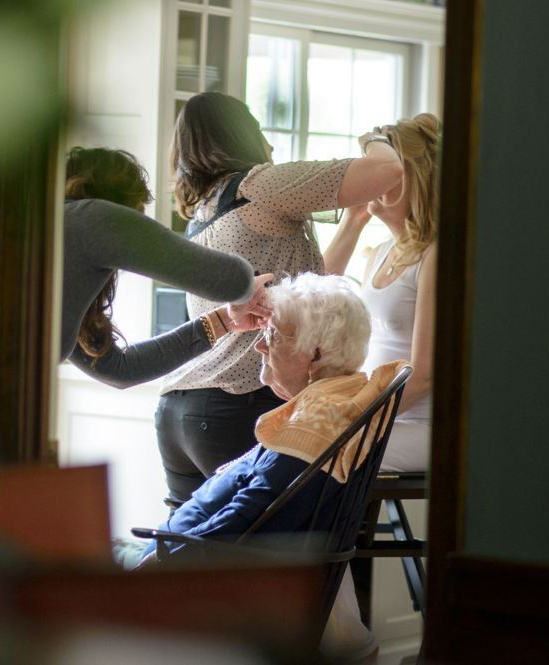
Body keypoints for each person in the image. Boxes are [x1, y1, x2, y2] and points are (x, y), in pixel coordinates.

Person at [129, 273, 408, 664]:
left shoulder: (315, 424)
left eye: (274, 335)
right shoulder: (337, 402)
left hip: (197, 585)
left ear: (315, 354)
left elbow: (246, 517)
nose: (259, 345)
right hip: (195, 564)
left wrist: (165, 559)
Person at [155, 92, 405, 507]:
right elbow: (388, 170)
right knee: (263, 560)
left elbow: (309, 289)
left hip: (180, 411)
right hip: (240, 402)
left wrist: (355, 223)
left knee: (193, 558)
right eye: (257, 129)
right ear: (241, 136)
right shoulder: (260, 185)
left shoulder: (205, 210)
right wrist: (377, 138)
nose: (268, 143)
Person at [62, 146, 272, 389]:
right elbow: (229, 279)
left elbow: (120, 369)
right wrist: (249, 287)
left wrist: (224, 321)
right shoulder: (91, 218)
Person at [324, 113, 439, 472]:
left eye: (381, 170)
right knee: (297, 436)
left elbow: (423, 376)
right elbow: (315, 294)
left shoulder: (436, 255)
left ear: (411, 179)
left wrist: (356, 415)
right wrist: (353, 221)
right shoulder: (379, 253)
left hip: (424, 427)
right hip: (382, 418)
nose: (369, 178)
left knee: (316, 447)